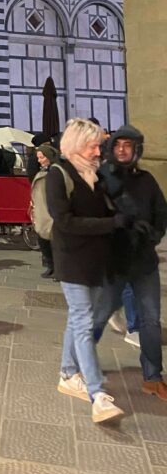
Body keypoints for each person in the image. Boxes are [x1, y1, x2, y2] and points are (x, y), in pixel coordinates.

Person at [48, 118, 126, 423]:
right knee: (83, 321)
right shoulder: (59, 174)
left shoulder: (95, 174)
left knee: (80, 318)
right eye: (93, 145)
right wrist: (110, 224)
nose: (98, 150)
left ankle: (68, 372)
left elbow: (107, 210)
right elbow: (64, 221)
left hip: (95, 259)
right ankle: (97, 394)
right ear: (77, 144)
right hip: (72, 259)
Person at [93, 124, 167, 400]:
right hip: (115, 262)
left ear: (137, 150)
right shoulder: (103, 178)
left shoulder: (147, 180)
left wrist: (154, 235)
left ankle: (153, 376)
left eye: (128, 145)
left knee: (150, 320)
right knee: (98, 317)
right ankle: (76, 367)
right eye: (118, 145)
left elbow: (161, 211)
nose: (122, 150)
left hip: (144, 262)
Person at [30, 143, 59, 279]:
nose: (39, 160)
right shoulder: (43, 171)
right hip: (42, 211)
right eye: (38, 157)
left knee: (54, 241)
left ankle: (57, 268)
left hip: (51, 211)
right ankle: (51, 266)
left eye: (41, 157)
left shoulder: (55, 172)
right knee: (44, 240)